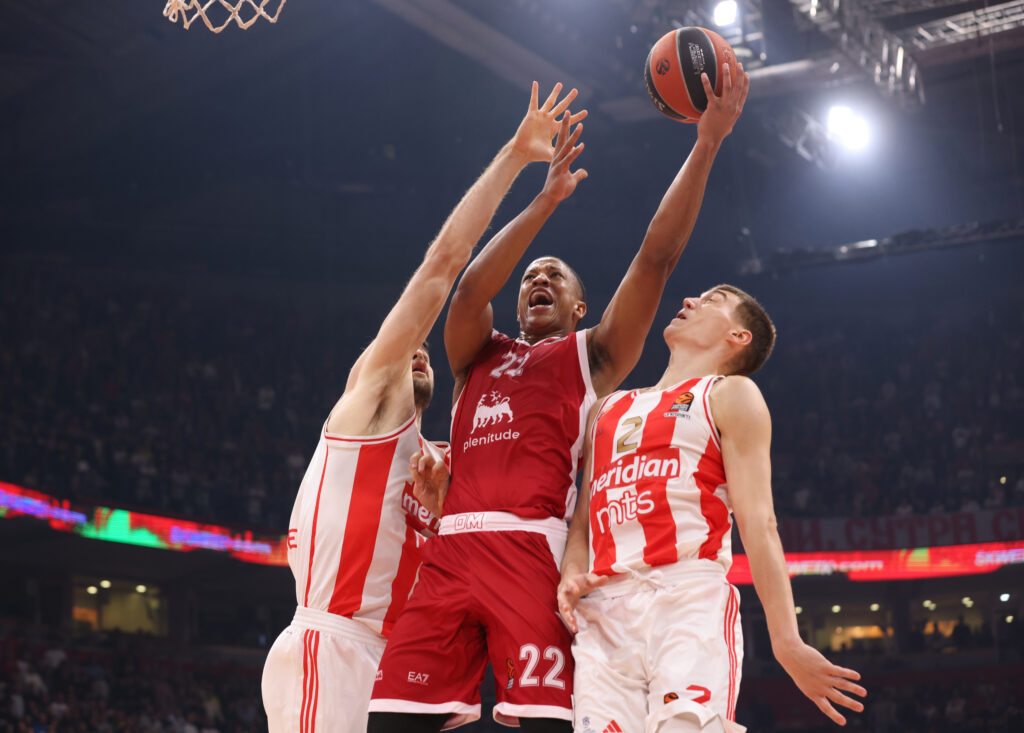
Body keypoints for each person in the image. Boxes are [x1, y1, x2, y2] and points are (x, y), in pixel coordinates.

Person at [368, 65, 749, 732]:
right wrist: (543, 202)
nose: (538, 275)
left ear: (579, 306)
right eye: (531, 273)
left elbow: (656, 257)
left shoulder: (592, 356)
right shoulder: (476, 353)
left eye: (555, 274)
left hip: (535, 553)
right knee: (390, 720)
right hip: (450, 554)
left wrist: (707, 143)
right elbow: (466, 293)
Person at [260, 81, 585, 733]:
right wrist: (516, 160)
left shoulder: (438, 467)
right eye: (406, 349)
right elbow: (444, 267)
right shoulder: (370, 399)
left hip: (402, 659)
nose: (417, 356)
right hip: (334, 643)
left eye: (425, 355)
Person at [557, 285, 868, 732]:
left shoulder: (730, 394)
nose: (689, 301)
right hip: (604, 612)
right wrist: (570, 572)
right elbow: (583, 521)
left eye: (712, 300)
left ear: (739, 336)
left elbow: (760, 522)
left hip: (687, 598)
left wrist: (786, 642)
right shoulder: (607, 409)